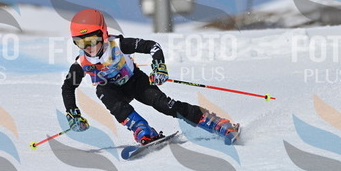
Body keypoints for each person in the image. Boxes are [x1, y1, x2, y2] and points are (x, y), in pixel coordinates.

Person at [61, 8, 239, 145]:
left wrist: (159, 67)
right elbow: (68, 87)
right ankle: (142, 129)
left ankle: (216, 123)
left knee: (165, 105)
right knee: (104, 93)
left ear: (104, 33)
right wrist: (72, 113)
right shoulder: (81, 63)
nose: (88, 47)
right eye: (80, 42)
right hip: (112, 91)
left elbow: (153, 46)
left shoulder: (119, 44)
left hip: (135, 81)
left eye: (92, 40)